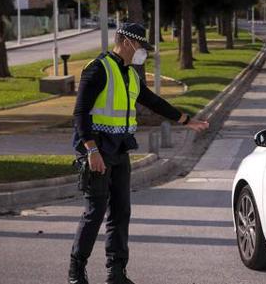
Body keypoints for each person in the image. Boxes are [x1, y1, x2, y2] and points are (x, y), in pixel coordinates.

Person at [68, 23, 209, 284]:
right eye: (141, 46)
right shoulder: (98, 69)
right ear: (128, 42)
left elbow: (153, 102)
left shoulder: (130, 75)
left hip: (120, 149)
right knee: (95, 212)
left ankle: (117, 273)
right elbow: (80, 113)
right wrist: (91, 150)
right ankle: (76, 271)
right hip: (97, 149)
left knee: (121, 212)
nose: (142, 51)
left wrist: (185, 120)